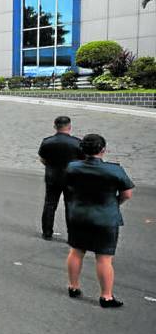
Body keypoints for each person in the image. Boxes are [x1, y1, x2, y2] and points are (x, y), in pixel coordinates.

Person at [64, 134, 134, 308]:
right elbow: (127, 194)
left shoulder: (73, 167)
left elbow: (69, 186)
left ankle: (73, 286)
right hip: (105, 217)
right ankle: (106, 296)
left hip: (78, 214)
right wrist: (114, 203)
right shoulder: (114, 170)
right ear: (103, 150)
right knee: (104, 258)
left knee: (76, 251)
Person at [37, 116, 83, 241]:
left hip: (52, 176)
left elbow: (42, 158)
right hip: (71, 178)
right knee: (71, 206)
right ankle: (72, 235)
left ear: (55, 127)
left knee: (50, 204)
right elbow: (83, 160)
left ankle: (47, 232)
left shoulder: (47, 141)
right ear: (69, 127)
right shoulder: (77, 143)